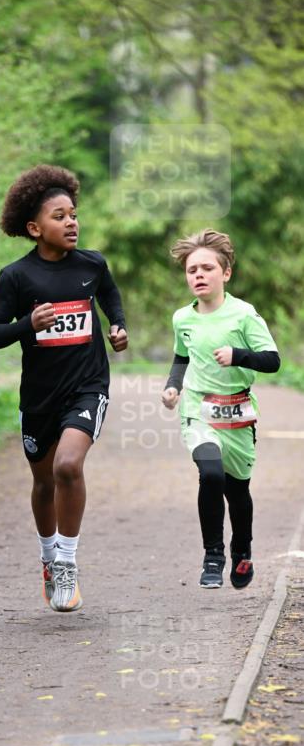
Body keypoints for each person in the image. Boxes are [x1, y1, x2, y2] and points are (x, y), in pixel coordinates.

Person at [0, 164, 128, 612]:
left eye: (73, 214)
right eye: (60, 216)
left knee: (68, 466)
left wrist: (118, 327)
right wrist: (29, 323)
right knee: (44, 482)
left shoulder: (92, 264)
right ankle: (48, 557)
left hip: (88, 386)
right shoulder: (16, 277)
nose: (71, 223)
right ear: (34, 228)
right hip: (39, 397)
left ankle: (66, 562)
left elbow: (110, 298)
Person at [161, 228, 280, 589]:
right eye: (191, 270)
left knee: (238, 493)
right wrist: (172, 386)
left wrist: (237, 356)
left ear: (225, 273)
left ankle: (241, 550)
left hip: (239, 412)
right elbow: (182, 357)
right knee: (210, 473)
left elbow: (272, 361)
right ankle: (212, 556)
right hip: (199, 409)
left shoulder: (243, 315)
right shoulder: (183, 318)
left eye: (206, 268)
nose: (198, 275)